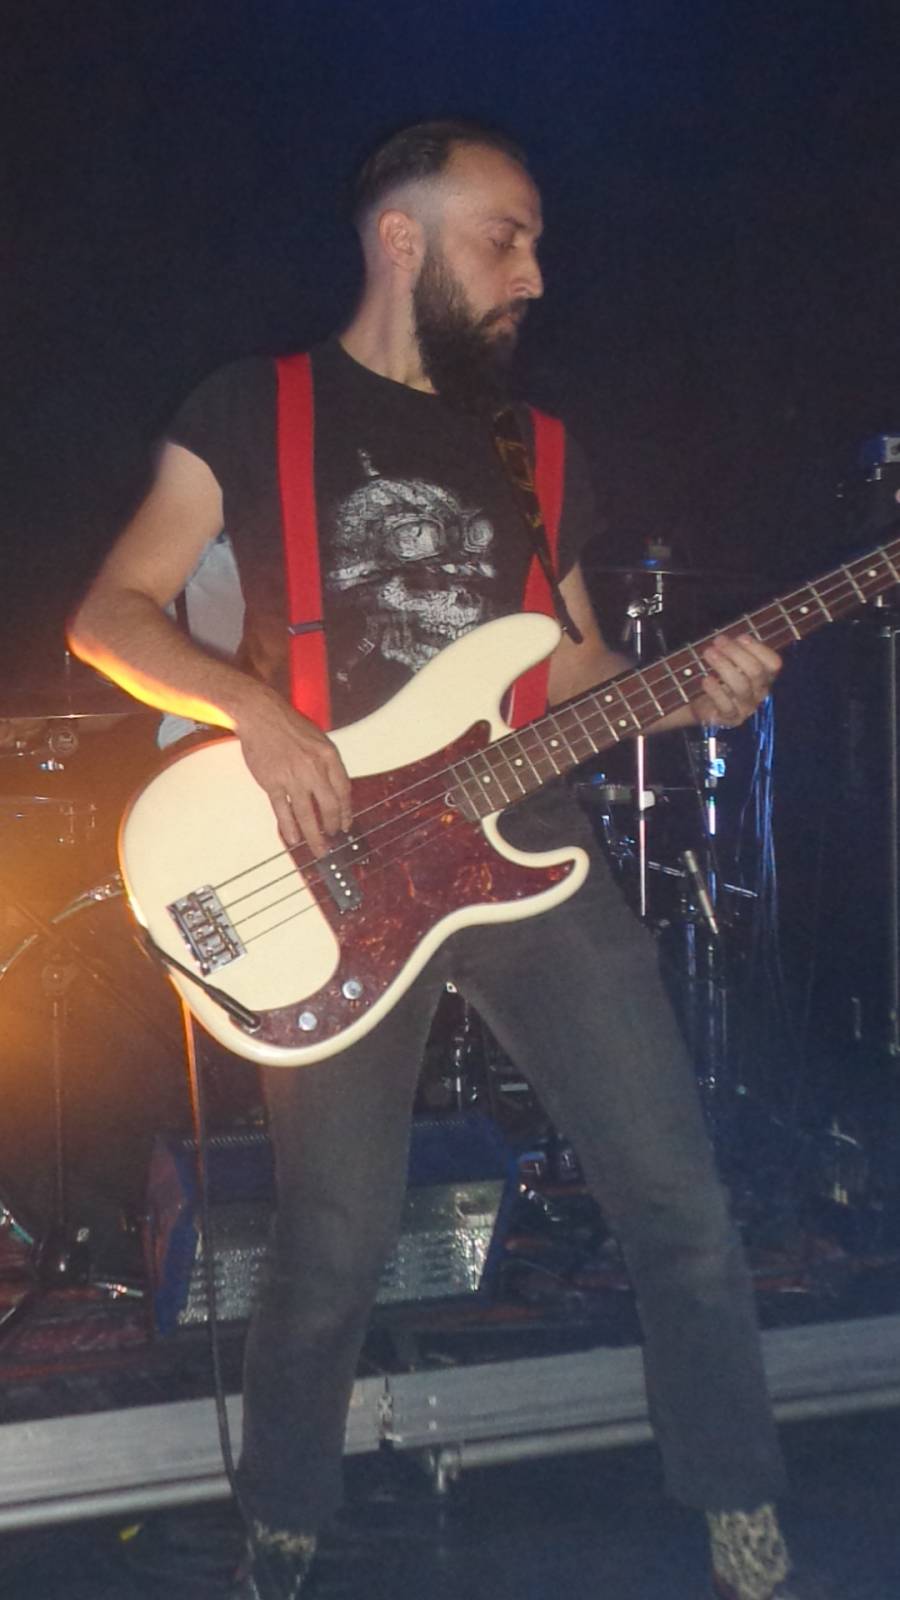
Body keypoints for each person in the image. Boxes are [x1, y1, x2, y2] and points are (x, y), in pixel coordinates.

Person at [68, 121, 824, 1600]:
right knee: (333, 1239)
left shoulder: (542, 449)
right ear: (402, 239)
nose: (532, 273)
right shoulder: (252, 407)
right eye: (505, 237)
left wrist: (695, 687)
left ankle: (740, 1511)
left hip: (530, 851)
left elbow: (578, 664)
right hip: (333, 864)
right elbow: (112, 616)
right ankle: (284, 1530)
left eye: (535, 243)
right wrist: (257, 716)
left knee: (677, 1201)